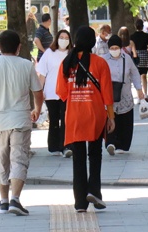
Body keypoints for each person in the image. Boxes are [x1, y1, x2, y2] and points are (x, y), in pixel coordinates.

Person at [0, 30, 44, 216]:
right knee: (19, 158)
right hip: (21, 118)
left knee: (1, 160)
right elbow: (37, 91)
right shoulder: (27, 65)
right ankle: (15, 199)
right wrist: (37, 109)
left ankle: (3, 201)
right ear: (19, 47)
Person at [56, 26, 115, 213]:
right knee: (95, 154)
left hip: (74, 116)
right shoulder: (100, 63)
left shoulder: (66, 63)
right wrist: (111, 117)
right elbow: (107, 93)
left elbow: (62, 92)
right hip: (95, 115)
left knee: (78, 158)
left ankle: (80, 202)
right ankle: (94, 191)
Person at [103, 35, 144, 155]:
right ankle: (110, 143)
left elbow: (135, 74)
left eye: (117, 47)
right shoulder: (103, 59)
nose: (114, 50)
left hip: (125, 93)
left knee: (125, 120)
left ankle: (123, 145)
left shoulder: (127, 58)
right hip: (109, 94)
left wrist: (139, 89)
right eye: (112, 47)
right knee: (110, 118)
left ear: (120, 48)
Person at [36, 29, 73, 158]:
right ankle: (54, 146)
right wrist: (40, 91)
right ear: (57, 39)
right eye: (61, 37)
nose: (63, 40)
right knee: (54, 120)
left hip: (67, 93)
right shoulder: (49, 53)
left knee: (65, 119)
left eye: (66, 37)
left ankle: (66, 146)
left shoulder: (71, 54)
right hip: (51, 92)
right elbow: (42, 74)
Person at [130, 19, 148, 102]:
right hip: (144, 56)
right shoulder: (146, 36)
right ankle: (146, 94)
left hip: (135, 56)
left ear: (135, 26)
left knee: (137, 77)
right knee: (144, 76)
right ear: (143, 26)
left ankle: (139, 96)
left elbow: (131, 48)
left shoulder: (132, 36)